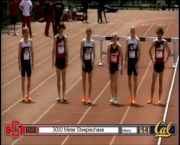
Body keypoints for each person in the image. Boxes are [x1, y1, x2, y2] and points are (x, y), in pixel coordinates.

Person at [147, 27, 171, 104]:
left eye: (159, 34)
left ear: (162, 34)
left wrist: (166, 60)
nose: (158, 35)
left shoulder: (164, 42)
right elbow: (149, 51)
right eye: (157, 34)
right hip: (156, 63)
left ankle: (159, 100)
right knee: (153, 82)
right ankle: (151, 99)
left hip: (161, 64)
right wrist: (152, 60)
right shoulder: (154, 42)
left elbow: (169, 52)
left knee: (160, 82)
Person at [52, 23, 68, 102]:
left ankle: (64, 95)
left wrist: (67, 60)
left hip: (63, 59)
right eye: (60, 28)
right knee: (58, 79)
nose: (61, 29)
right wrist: (52, 60)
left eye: (62, 28)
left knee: (63, 79)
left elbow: (66, 49)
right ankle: (58, 95)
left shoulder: (65, 38)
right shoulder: (55, 38)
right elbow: (53, 49)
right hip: (58, 59)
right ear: (58, 29)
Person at [125, 26, 141, 104]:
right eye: (131, 31)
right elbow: (126, 50)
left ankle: (134, 97)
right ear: (130, 31)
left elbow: (139, 52)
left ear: (135, 31)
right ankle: (130, 96)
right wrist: (125, 61)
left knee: (135, 80)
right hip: (129, 62)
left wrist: (137, 62)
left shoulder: (137, 40)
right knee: (129, 80)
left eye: (133, 31)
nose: (132, 32)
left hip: (135, 61)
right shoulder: (128, 39)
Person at [18, 27, 34, 102]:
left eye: (28, 32)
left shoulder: (30, 41)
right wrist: (19, 65)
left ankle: (28, 95)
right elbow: (18, 55)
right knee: (23, 80)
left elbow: (32, 52)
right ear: (23, 33)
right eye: (26, 32)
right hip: (23, 63)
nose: (27, 34)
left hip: (28, 62)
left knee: (29, 80)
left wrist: (33, 63)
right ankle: (23, 96)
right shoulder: (21, 42)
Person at [80, 28, 95, 104]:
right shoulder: (83, 41)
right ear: (86, 33)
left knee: (90, 81)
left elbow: (94, 53)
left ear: (91, 33)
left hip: (90, 62)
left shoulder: (92, 42)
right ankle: (84, 96)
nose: (89, 34)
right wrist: (82, 62)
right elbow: (80, 53)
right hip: (84, 62)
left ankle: (89, 97)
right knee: (84, 81)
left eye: (90, 32)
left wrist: (93, 62)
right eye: (88, 32)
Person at [107, 33, 123, 105]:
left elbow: (122, 58)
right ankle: (112, 96)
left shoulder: (119, 47)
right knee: (111, 82)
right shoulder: (109, 46)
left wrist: (121, 67)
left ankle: (115, 98)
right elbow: (107, 56)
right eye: (113, 38)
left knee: (115, 82)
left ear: (117, 39)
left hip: (116, 66)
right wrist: (108, 64)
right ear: (112, 39)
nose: (115, 39)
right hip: (111, 65)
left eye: (116, 38)